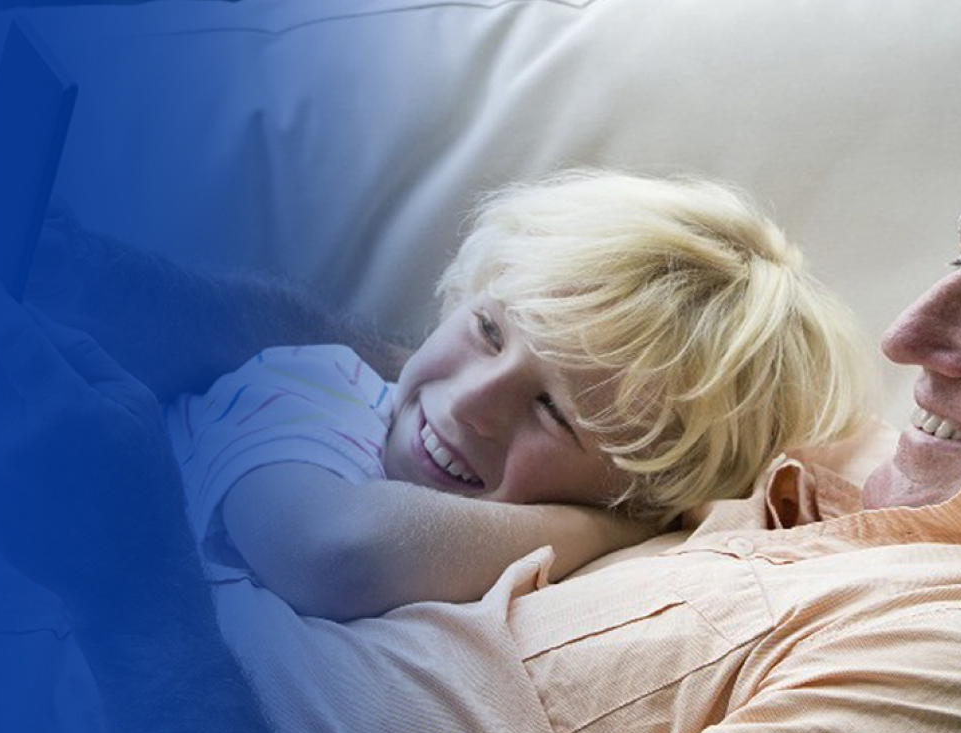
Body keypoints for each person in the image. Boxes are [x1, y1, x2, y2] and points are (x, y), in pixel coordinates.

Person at [0, 90, 961, 733]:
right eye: (956, 257)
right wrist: (194, 319)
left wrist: (128, 604)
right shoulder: (913, 477)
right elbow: (537, 388)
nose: (908, 333)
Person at [172, 170, 873, 620]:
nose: (476, 401)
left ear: (643, 490)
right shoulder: (311, 389)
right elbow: (335, 551)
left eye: (553, 412)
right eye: (486, 330)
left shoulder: (613, 591)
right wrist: (605, 529)